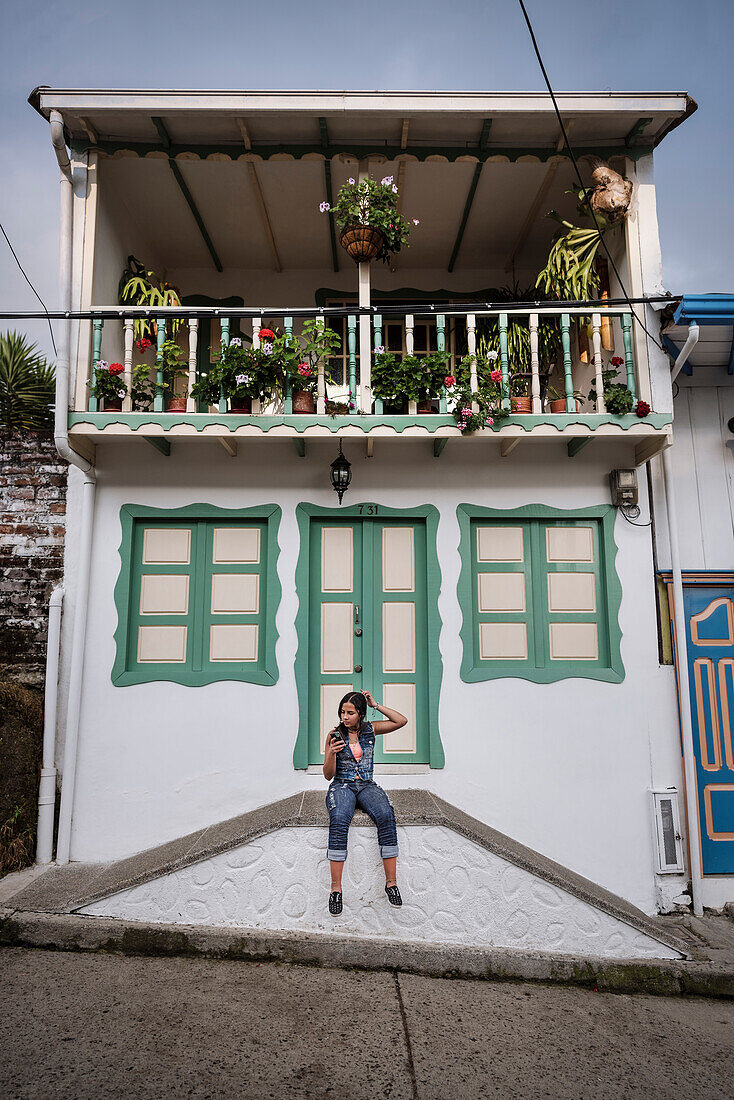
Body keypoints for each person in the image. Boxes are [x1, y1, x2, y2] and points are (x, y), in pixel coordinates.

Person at [323, 689, 407, 916]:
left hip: (367, 785)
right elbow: (328, 775)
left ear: (360, 713)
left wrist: (375, 704)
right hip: (342, 785)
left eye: (350, 712)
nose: (345, 717)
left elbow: (401, 721)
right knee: (340, 819)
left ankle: (391, 884)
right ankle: (336, 890)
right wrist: (331, 753)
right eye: (342, 712)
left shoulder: (371, 729)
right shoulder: (334, 735)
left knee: (386, 815)